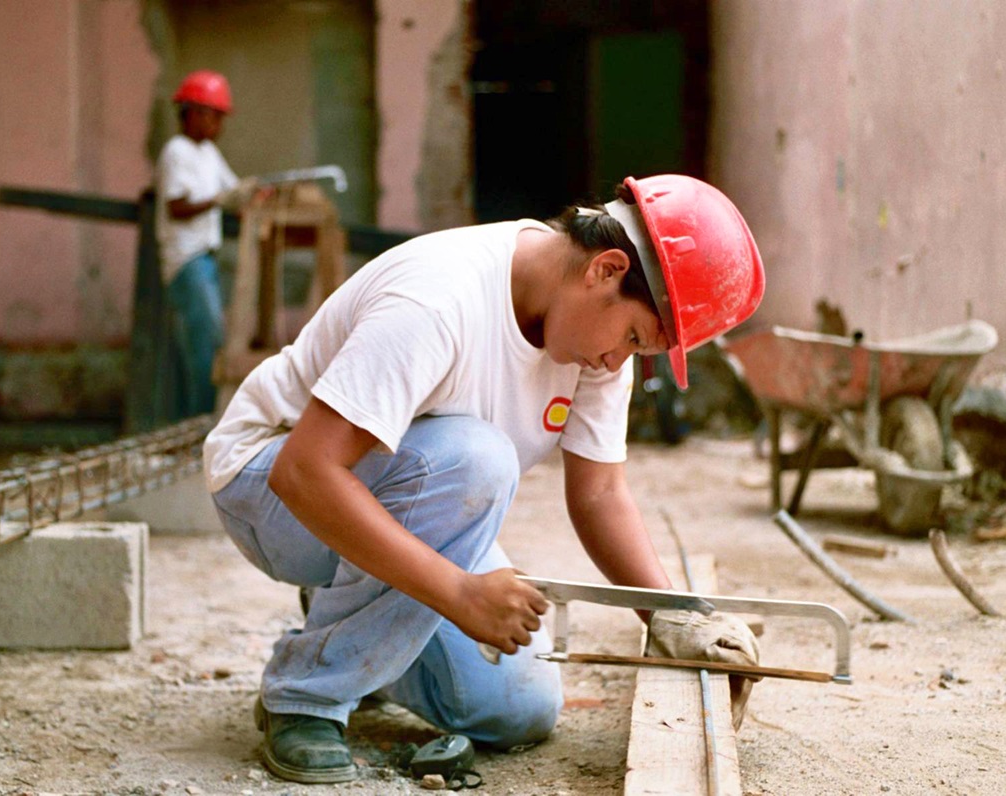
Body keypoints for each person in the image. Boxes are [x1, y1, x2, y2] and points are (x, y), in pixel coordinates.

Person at [203, 174, 766, 783]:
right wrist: (459, 593)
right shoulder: (439, 300)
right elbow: (304, 472)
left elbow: (600, 493)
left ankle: (350, 620)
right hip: (269, 487)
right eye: (631, 338)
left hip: (390, 498)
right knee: (480, 459)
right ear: (605, 269)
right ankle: (305, 695)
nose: (617, 362)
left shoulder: (597, 342)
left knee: (518, 707)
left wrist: (673, 616)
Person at [155, 70, 257, 417]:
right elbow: (177, 206)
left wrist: (254, 196)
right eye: (215, 116)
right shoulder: (177, 151)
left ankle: (202, 421)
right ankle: (199, 424)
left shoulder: (208, 152)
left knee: (207, 341)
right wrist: (221, 199)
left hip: (205, 260)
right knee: (205, 344)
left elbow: (233, 192)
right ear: (194, 112)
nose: (219, 126)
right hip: (187, 260)